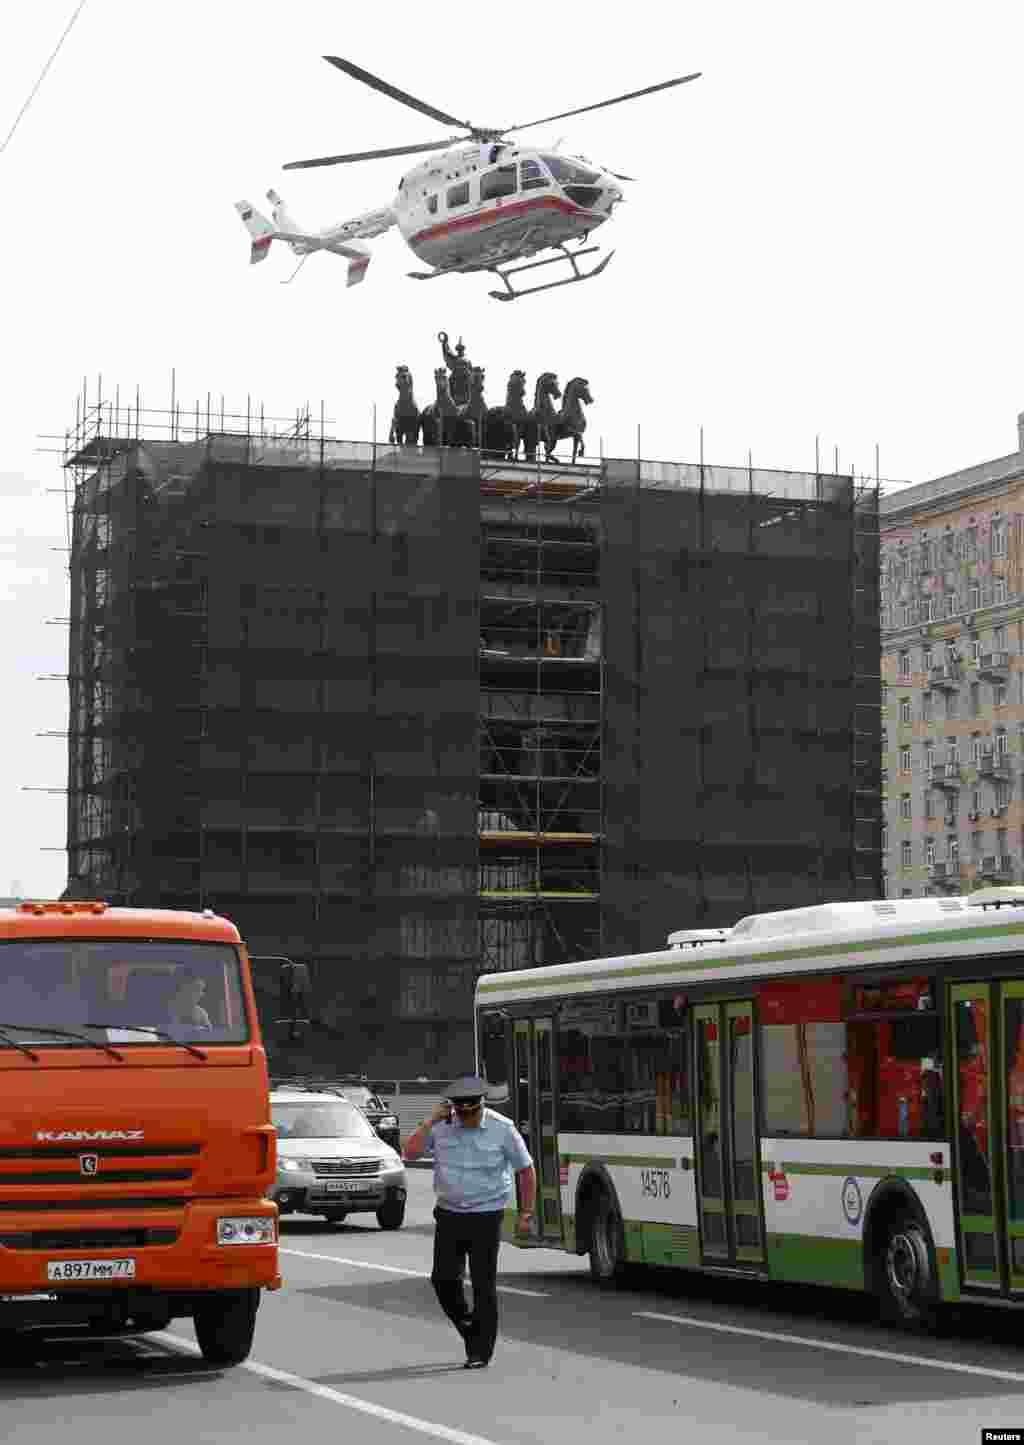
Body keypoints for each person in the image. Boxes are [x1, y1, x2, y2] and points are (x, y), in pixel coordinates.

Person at [403, 1073, 535, 1370]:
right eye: (460, 1112)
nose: (467, 1118)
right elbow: (409, 1152)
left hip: (486, 1216)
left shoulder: (503, 1129)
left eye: (472, 1112)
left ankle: (480, 1351)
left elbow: (525, 1169)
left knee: (483, 1285)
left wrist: (526, 1212)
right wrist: (429, 1121)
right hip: (450, 1214)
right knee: (443, 1280)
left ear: (481, 1105)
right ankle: (468, 1327)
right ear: (452, 1109)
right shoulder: (440, 1128)